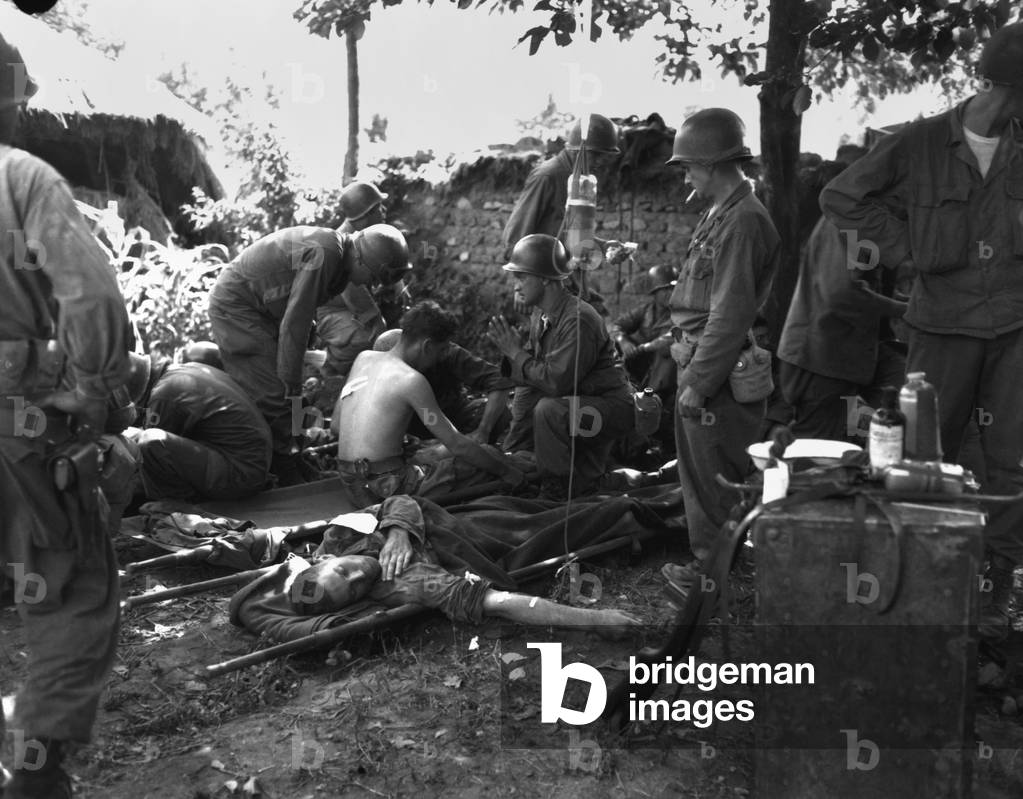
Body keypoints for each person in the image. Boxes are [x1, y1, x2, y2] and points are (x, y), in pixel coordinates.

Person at [819, 22, 1023, 638]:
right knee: (920, 457)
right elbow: (842, 196)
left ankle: (989, 603)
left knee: (1013, 464)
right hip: (939, 326)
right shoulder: (923, 142)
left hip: (1015, 327)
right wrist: (906, 250)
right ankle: (911, 590)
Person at [0, 32, 130, 798]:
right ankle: (37, 777)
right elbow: (90, 293)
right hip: (17, 417)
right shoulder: (21, 179)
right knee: (72, 583)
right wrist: (93, 387)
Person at [230, 494, 639, 642]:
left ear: (326, 561)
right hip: (485, 544)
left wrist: (397, 532)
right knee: (583, 519)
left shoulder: (337, 537)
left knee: (520, 504)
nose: (357, 576)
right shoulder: (406, 584)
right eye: (352, 590)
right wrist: (595, 618)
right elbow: (502, 602)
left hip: (455, 518)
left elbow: (399, 501)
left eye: (343, 573)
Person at [660, 109, 780, 595]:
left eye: (688, 166)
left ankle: (712, 575)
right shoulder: (722, 212)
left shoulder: (743, 222)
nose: (686, 175)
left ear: (711, 164)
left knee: (714, 477)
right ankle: (718, 562)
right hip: (701, 359)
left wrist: (698, 383)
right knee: (701, 473)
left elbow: (729, 316)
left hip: (720, 372)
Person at [208, 222, 411, 485]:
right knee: (275, 393)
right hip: (237, 307)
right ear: (362, 260)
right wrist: (291, 379)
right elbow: (296, 320)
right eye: (373, 279)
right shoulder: (328, 253)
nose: (370, 287)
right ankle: (282, 471)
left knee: (288, 394)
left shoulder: (339, 258)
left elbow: (300, 303)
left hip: (261, 308)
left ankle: (293, 456)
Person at [333, 301, 526, 507]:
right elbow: (457, 444)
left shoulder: (363, 359)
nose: (439, 358)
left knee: (439, 455)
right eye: (440, 350)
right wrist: (507, 472)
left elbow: (336, 425)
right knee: (487, 458)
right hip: (388, 488)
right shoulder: (411, 380)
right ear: (427, 346)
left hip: (350, 483)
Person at [489, 234, 634, 500]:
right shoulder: (541, 312)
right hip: (579, 399)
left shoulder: (578, 319)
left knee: (550, 410)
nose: (516, 287)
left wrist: (514, 352)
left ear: (545, 279)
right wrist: (512, 449)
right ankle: (528, 463)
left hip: (610, 407)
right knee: (527, 396)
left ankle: (556, 490)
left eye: (522, 277)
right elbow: (533, 372)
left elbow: (556, 383)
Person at [777, 213, 907, 441]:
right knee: (820, 454)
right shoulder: (848, 218)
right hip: (822, 363)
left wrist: (902, 302)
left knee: (862, 440)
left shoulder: (864, 222)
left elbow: (863, 284)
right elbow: (842, 293)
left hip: (848, 360)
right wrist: (902, 309)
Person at [502, 114, 620, 317]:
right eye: (595, 155)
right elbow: (515, 235)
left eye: (604, 156)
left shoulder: (581, 181)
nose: (601, 162)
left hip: (569, 284)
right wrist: (520, 283)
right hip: (543, 288)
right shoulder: (548, 176)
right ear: (576, 150)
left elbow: (571, 236)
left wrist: (603, 245)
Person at [122, 352, 273, 502]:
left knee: (150, 442)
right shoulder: (185, 371)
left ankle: (175, 509)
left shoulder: (165, 394)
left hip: (241, 476)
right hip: (252, 464)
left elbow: (149, 459)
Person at [373, 328, 513, 445]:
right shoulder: (379, 378)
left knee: (498, 414)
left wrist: (483, 431)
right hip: (417, 432)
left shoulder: (442, 351)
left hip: (456, 417)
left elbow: (497, 379)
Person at [316, 181, 389, 378]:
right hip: (331, 312)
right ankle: (327, 364)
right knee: (366, 337)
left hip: (351, 307)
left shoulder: (369, 236)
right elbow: (354, 293)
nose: (384, 210)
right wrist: (376, 321)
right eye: (377, 208)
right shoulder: (343, 245)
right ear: (364, 216)